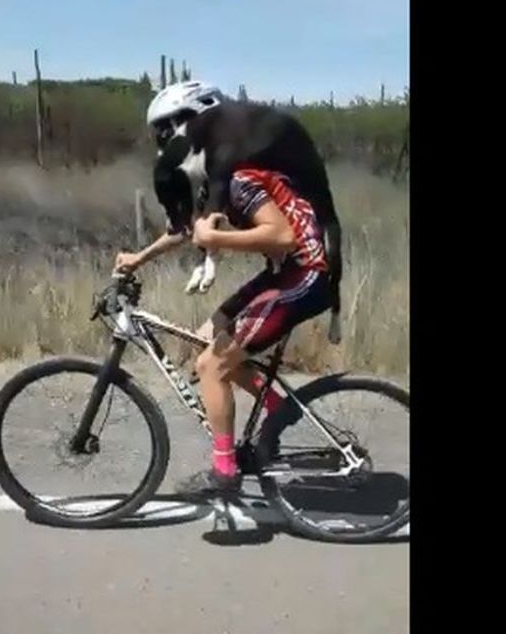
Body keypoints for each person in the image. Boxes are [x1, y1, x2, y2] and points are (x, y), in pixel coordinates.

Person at [115, 81, 341, 495]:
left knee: (210, 366)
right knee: (205, 340)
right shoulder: (218, 175)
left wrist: (215, 241)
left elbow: (282, 237)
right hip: (284, 274)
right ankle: (277, 413)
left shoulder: (241, 176)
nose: (165, 145)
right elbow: (189, 230)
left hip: (305, 273)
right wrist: (139, 258)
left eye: (167, 132)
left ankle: (226, 470)